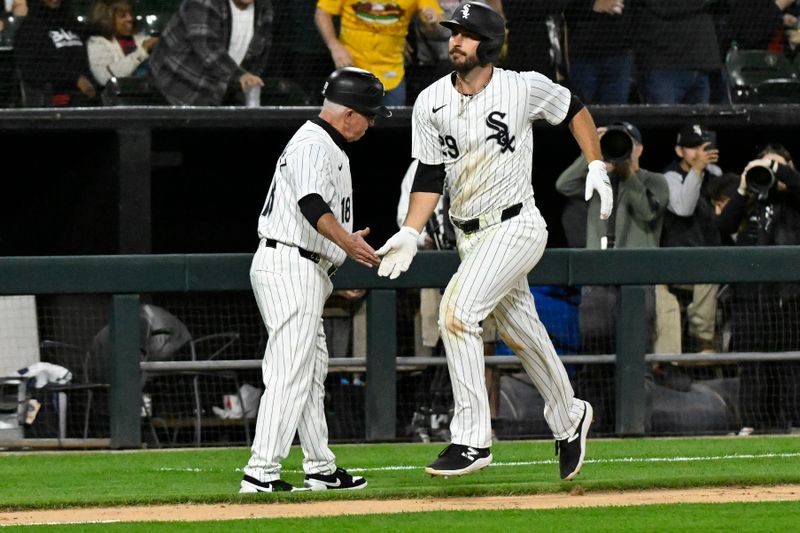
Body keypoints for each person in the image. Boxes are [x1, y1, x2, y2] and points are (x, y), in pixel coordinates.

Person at [376, 1, 612, 480]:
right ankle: (569, 415)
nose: (455, 41)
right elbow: (428, 172)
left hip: (517, 224)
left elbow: (575, 110)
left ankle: (471, 439)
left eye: (465, 34)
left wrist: (596, 164)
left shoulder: (522, 86)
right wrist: (409, 230)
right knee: (523, 334)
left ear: (490, 43)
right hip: (469, 235)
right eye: (453, 33)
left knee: (457, 315)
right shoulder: (430, 101)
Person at [240, 67, 389, 493]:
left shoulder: (324, 143)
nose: (372, 122)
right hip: (289, 264)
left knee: (309, 371)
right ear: (348, 114)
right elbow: (310, 203)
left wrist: (337, 256)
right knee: (289, 370)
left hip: (304, 266)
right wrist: (347, 243)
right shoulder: (312, 142)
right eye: (369, 114)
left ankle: (320, 466)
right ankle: (260, 471)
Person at [716, 144, 800, 433]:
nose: (770, 172)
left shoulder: (793, 200)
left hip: (788, 299)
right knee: (751, 364)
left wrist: (780, 171)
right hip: (750, 298)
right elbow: (721, 226)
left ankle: (792, 424)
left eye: (776, 165)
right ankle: (751, 423)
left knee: (789, 365)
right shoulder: (751, 200)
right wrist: (742, 189)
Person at [654, 124, 723, 355]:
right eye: (692, 147)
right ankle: (699, 339)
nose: (698, 152)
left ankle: (702, 341)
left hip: (707, 258)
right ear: (679, 150)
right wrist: (698, 169)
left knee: (711, 269)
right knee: (707, 270)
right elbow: (683, 207)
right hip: (675, 260)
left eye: (703, 146)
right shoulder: (669, 176)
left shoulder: (716, 175)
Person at [314, 0, 443, 106]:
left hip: (392, 73)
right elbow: (322, 13)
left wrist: (434, 22)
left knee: (391, 129)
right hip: (352, 69)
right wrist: (334, 45)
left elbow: (438, 27)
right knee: (349, 129)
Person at [148, 0, 273, 106]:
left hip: (216, 95)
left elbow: (261, 52)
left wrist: (249, 82)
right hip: (172, 88)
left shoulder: (264, 8)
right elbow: (206, 47)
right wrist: (240, 75)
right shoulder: (203, 2)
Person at [634, 0, 721, 104]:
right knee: (664, 119)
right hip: (664, 66)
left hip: (701, 65)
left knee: (699, 120)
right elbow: (663, 7)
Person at [14, 0, 97, 106]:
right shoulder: (29, 28)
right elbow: (32, 70)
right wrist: (74, 79)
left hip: (89, 96)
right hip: (57, 101)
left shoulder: (73, 24)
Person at [563, 0, 633, 105]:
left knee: (615, 115)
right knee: (581, 113)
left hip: (620, 51)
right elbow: (561, 7)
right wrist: (592, 5)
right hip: (582, 54)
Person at [86, 0, 158, 87]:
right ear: (107, 20)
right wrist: (141, 53)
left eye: (130, 14)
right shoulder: (97, 43)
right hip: (121, 98)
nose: (130, 18)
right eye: (122, 15)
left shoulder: (140, 38)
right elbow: (105, 78)